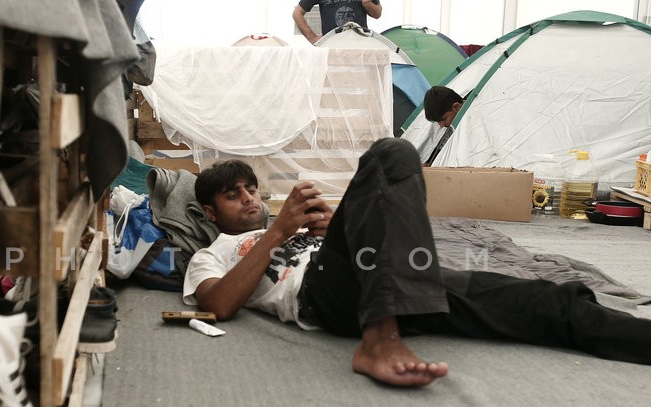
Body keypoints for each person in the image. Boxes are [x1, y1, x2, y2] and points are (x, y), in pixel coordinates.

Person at [183, 138, 650, 387]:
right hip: (325, 296)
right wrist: (279, 233)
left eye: (250, 190)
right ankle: (379, 340)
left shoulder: (291, 227)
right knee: (391, 154)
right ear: (210, 212)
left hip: (396, 277)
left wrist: (343, 229)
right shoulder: (214, 253)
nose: (248, 200)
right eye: (232, 196)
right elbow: (218, 305)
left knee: (552, 303)